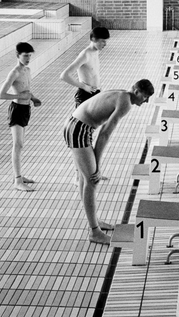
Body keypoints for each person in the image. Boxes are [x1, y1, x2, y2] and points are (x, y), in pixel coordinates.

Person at [62, 79, 154, 245]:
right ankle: (94, 232)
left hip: (75, 125)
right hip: (79, 129)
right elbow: (105, 133)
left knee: (85, 178)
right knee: (92, 180)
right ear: (137, 91)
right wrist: (97, 166)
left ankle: (94, 222)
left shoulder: (122, 93)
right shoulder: (126, 103)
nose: (146, 101)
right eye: (145, 97)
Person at [0, 42, 42, 192]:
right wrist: (19, 96)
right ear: (18, 55)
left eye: (29, 55)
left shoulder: (27, 70)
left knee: (21, 144)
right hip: (16, 110)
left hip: (25, 109)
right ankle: (17, 180)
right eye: (25, 56)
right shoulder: (14, 72)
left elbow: (26, 90)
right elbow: (1, 95)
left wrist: (33, 98)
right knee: (18, 145)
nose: (28, 58)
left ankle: (19, 176)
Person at [61, 27, 109, 106]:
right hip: (85, 95)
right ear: (93, 39)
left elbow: (93, 74)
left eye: (106, 41)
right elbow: (64, 75)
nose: (105, 44)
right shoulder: (85, 55)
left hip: (95, 93)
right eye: (103, 41)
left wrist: (99, 89)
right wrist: (84, 86)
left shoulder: (95, 52)